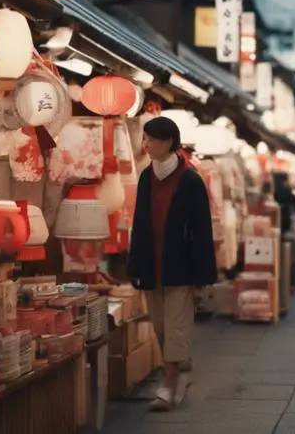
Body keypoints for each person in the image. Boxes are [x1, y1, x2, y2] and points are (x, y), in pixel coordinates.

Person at [128, 117, 216, 411]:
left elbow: (202, 228)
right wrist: (135, 265)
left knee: (176, 326)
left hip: (180, 264)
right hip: (151, 264)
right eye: (146, 139)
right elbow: (139, 223)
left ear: (168, 142)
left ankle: (168, 384)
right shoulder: (145, 177)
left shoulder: (190, 179)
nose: (146, 145)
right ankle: (180, 363)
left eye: (151, 139)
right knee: (162, 326)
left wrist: (203, 273)